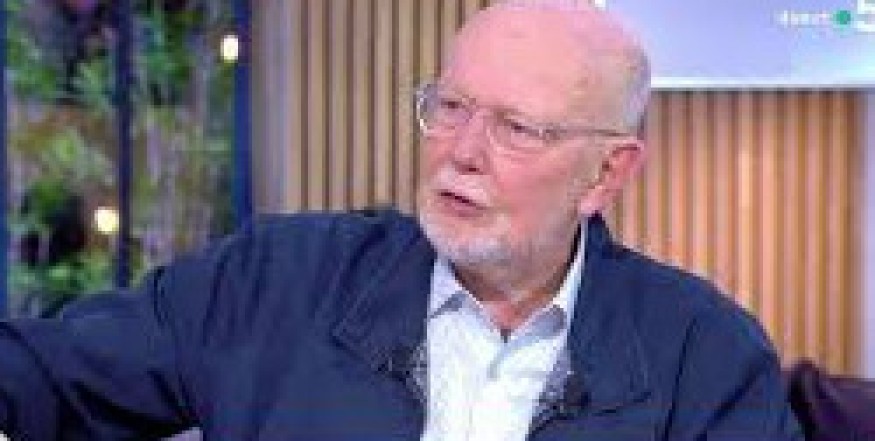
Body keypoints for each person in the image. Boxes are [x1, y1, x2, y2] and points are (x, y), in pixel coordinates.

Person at [0, 1, 802, 439]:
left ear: (606, 172)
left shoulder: (705, 355)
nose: (462, 152)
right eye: (449, 107)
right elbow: (42, 376)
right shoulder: (275, 280)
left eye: (517, 128)